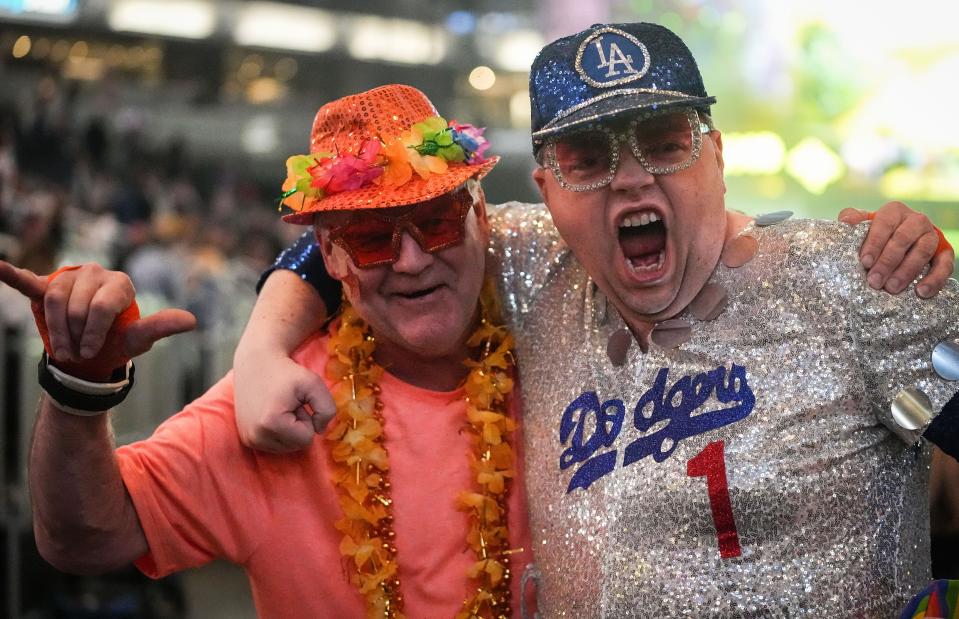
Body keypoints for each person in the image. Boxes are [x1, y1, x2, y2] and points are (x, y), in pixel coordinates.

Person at [234, 24, 959, 617]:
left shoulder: (857, 274)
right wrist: (262, 348)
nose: (631, 176)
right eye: (587, 156)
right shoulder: (532, 267)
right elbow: (354, 231)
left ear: (715, 153)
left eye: (664, 140)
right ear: (545, 190)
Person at [2, 85, 533, 618]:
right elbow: (83, 540)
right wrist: (79, 388)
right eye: (372, 238)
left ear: (481, 217)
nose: (412, 261)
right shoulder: (276, 401)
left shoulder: (559, 349)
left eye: (437, 221)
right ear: (329, 255)